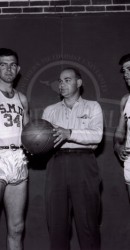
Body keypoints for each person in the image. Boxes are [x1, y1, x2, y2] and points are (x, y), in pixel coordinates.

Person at [42, 67, 103, 250]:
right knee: (57, 224)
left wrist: (69, 133)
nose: (62, 84)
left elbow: (97, 136)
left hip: (84, 163)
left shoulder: (93, 106)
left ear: (79, 82)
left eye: (67, 80)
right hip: (56, 163)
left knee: (88, 224)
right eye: (60, 81)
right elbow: (44, 142)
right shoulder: (50, 111)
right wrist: (34, 147)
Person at [0, 48, 29, 250]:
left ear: (18, 69)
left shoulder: (22, 99)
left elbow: (28, 132)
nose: (8, 69)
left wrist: (37, 142)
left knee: (17, 227)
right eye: (3, 64)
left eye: (12, 65)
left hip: (18, 158)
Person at [114, 54, 130, 198]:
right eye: (124, 71)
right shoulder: (125, 101)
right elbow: (120, 133)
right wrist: (118, 146)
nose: (126, 74)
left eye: (129, 69)